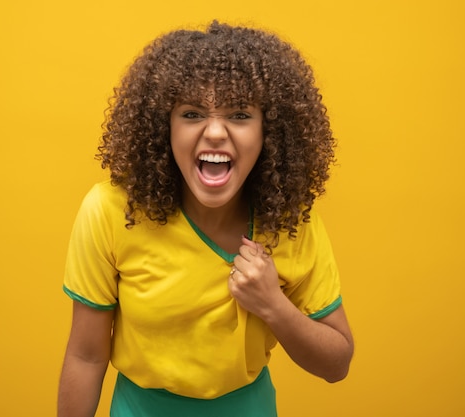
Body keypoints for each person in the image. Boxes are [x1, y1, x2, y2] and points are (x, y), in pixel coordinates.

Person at [58, 20, 354, 417]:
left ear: (270, 131)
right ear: (165, 128)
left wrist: (272, 304)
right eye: (193, 113)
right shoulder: (112, 212)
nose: (215, 132)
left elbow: (337, 364)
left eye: (239, 114)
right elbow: (86, 356)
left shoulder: (290, 222)